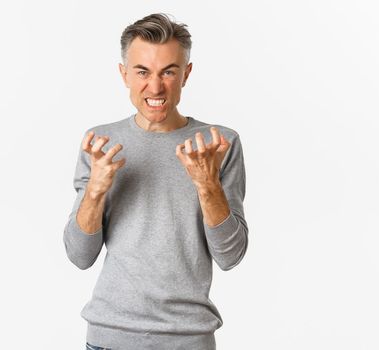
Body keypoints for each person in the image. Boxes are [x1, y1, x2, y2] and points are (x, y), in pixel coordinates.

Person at [62, 13, 249, 349]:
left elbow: (231, 255)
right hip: (109, 338)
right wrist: (95, 190)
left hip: (188, 339)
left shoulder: (219, 144)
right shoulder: (99, 143)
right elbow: (79, 255)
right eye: (142, 72)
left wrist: (208, 185)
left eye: (169, 72)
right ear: (124, 74)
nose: (156, 87)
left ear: (186, 74)